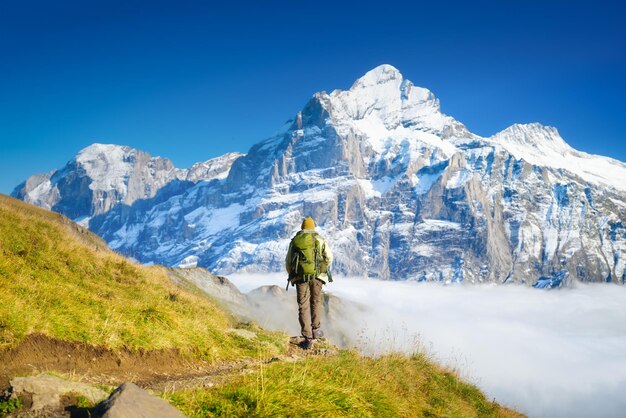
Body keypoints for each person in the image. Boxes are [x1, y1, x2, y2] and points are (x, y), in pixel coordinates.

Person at [285, 216, 333, 350]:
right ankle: (316, 330)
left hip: (300, 278)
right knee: (316, 301)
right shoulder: (320, 239)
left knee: (303, 305)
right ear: (313, 227)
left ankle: (307, 338)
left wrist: (292, 274)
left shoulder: (295, 241)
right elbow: (329, 257)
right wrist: (321, 269)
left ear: (302, 227)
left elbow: (288, 261)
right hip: (317, 277)